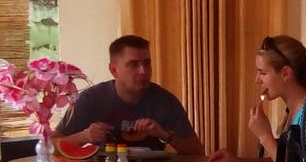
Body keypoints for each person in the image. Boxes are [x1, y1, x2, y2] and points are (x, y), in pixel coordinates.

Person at [54, 34, 204, 155]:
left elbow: (197, 151)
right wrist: (84, 136)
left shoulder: (165, 101)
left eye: (147, 63)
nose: (143, 71)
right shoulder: (90, 99)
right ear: (114, 70)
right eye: (133, 65)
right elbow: (49, 146)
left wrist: (164, 134)